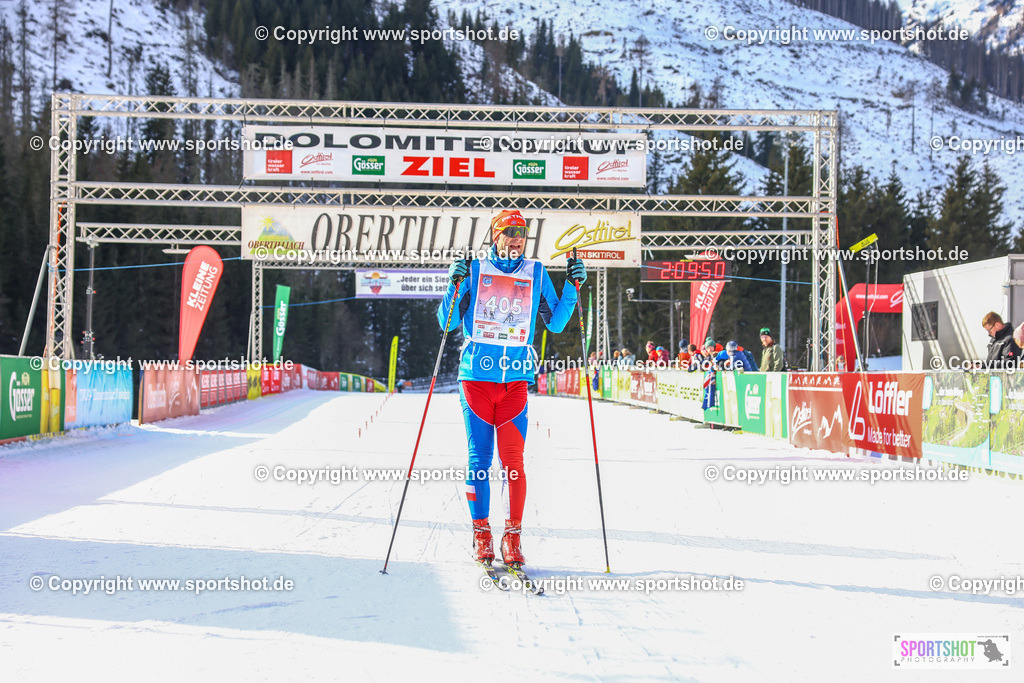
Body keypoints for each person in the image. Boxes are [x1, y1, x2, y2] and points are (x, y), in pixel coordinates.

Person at [439, 209, 587, 567]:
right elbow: (446, 322)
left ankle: (512, 538)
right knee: (479, 459)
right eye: (510, 231)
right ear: (495, 235)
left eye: (522, 231)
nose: (517, 237)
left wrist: (572, 286)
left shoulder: (535, 272)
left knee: (514, 462)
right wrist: (453, 285)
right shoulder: (474, 269)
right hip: (476, 378)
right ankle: (481, 533)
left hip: (515, 380)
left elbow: (556, 323)